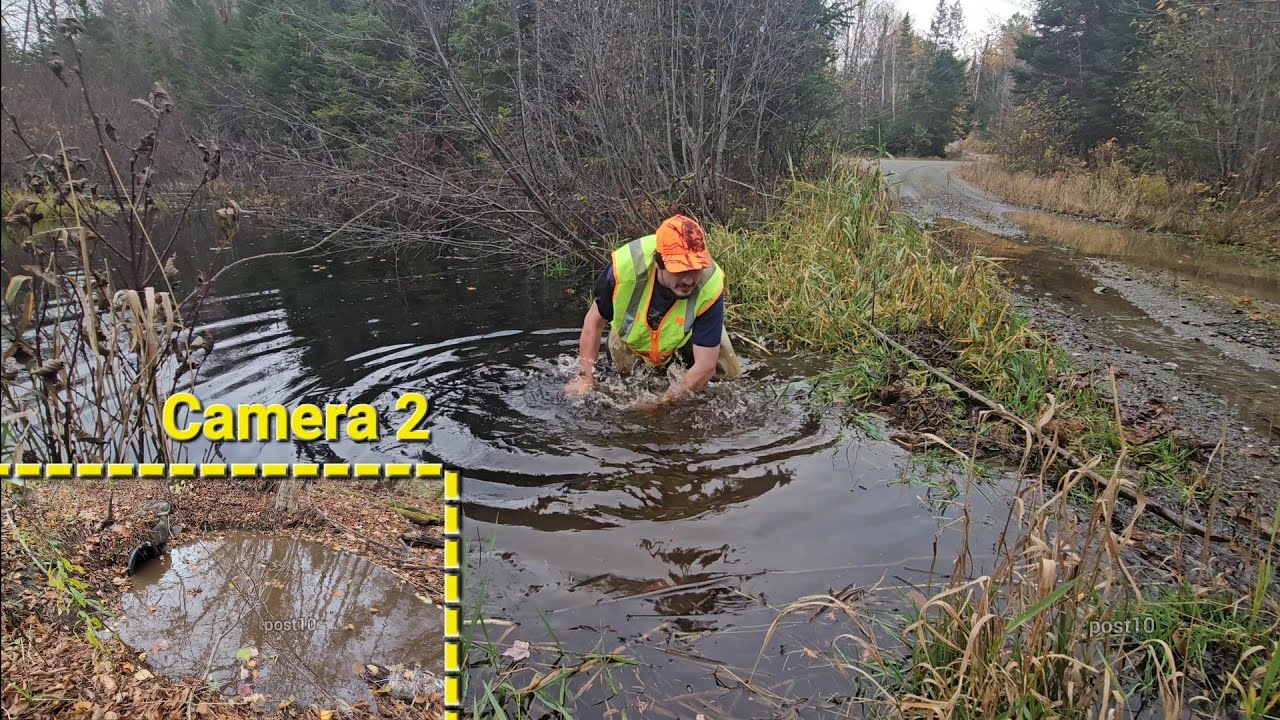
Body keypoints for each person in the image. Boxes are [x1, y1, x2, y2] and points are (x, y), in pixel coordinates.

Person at [564, 214, 743, 407]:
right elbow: (594, 322)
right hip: (632, 336)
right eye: (681, 270)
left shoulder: (711, 282)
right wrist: (584, 377)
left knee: (728, 374)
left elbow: (705, 366)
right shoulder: (623, 269)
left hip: (687, 333)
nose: (690, 280)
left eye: (696, 269)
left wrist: (661, 402)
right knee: (624, 381)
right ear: (658, 263)